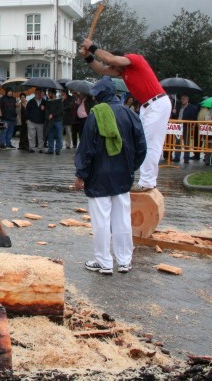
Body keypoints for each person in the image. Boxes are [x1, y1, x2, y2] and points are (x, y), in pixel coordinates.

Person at [73, 77, 146, 275]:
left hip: (98, 175)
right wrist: (131, 167)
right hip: (123, 175)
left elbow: (86, 148)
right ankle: (124, 261)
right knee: (122, 219)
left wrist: (81, 174)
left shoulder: (96, 115)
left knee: (101, 221)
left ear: (99, 96)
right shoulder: (131, 114)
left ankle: (104, 262)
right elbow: (142, 147)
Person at [80, 38, 170, 192]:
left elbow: (109, 59)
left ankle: (147, 181)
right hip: (147, 106)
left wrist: (92, 47)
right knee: (144, 142)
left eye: (114, 66)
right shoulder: (123, 70)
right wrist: (88, 57)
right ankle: (148, 180)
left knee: (150, 143)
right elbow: (101, 69)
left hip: (157, 103)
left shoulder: (135, 59)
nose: (113, 69)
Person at [171, 93, 198, 163]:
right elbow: (175, 117)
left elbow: (194, 118)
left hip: (186, 127)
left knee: (187, 143)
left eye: (184, 99)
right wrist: (173, 113)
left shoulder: (192, 108)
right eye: (182, 99)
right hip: (178, 127)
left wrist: (191, 126)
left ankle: (186, 157)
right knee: (177, 142)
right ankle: (177, 157)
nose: (182, 100)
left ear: (187, 100)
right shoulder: (178, 107)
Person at [25, 89, 46, 153]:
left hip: (41, 121)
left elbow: (48, 111)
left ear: (41, 94)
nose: (38, 94)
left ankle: (40, 148)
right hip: (31, 121)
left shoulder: (44, 102)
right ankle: (32, 148)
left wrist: (44, 109)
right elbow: (27, 111)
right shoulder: (30, 102)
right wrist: (27, 119)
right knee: (31, 136)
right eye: (36, 93)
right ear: (34, 93)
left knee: (41, 136)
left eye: (39, 93)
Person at [44, 88, 64, 155]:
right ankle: (50, 150)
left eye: (49, 93)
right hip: (50, 121)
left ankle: (57, 150)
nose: (48, 94)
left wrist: (53, 115)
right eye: (48, 93)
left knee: (58, 135)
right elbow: (46, 110)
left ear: (53, 94)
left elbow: (60, 110)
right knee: (50, 135)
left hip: (58, 120)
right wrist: (48, 116)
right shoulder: (48, 101)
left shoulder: (59, 101)